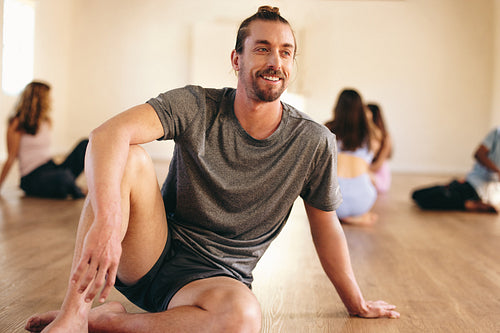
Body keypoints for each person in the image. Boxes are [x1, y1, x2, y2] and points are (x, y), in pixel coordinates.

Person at [25, 6, 399, 333]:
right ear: (237, 59)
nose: (276, 61)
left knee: (244, 318)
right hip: (151, 252)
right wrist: (107, 224)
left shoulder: (313, 141)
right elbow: (106, 134)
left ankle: (108, 322)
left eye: (286, 52)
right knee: (128, 155)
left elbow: (327, 228)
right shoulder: (196, 105)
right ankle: (74, 317)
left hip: (213, 283)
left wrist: (357, 303)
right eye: (263, 49)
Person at [0, 81, 88, 199]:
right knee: (64, 177)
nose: (51, 100)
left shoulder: (46, 121)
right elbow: (11, 157)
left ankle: (68, 185)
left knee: (85, 144)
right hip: (32, 176)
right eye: (48, 97)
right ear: (39, 99)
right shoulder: (17, 123)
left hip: (49, 167)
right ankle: (77, 190)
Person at [324, 89, 380, 226]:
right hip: (362, 201)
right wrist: (367, 118)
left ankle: (341, 217)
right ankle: (354, 217)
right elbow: (376, 148)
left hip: (333, 202)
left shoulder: (327, 130)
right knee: (371, 177)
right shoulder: (372, 136)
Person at [412, 127, 500, 212]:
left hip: (477, 190)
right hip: (470, 183)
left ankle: (471, 205)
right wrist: (497, 171)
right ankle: (467, 203)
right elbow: (479, 154)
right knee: (416, 194)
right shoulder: (497, 133)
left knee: (423, 199)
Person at [367, 103, 393, 194]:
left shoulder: (385, 137)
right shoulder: (364, 136)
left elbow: (378, 164)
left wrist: (359, 171)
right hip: (367, 172)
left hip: (378, 176)